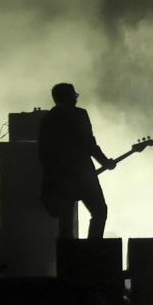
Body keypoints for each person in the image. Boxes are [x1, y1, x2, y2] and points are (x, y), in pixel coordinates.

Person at [38, 83, 115, 239]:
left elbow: (43, 153)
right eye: (74, 95)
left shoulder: (47, 119)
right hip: (84, 175)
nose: (76, 99)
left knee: (65, 221)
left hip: (59, 178)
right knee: (99, 212)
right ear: (69, 97)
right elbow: (89, 144)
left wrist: (51, 178)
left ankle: (68, 258)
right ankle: (92, 250)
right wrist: (104, 161)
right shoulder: (79, 115)